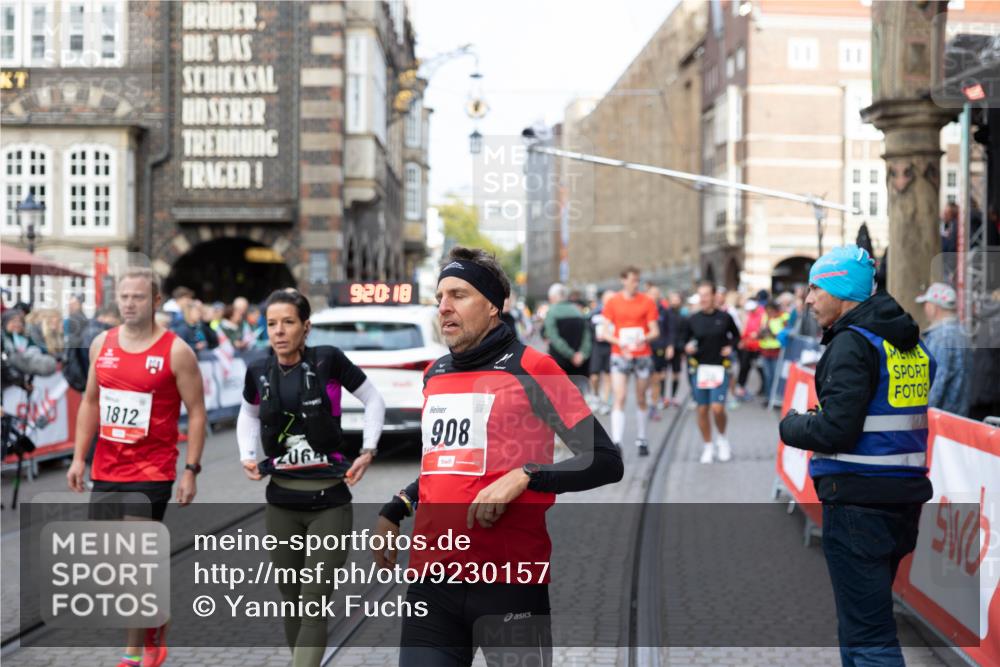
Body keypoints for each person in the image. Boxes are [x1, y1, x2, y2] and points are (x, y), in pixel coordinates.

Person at [372, 247, 623, 667]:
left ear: (493, 305)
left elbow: (604, 459)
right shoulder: (436, 375)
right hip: (432, 580)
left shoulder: (532, 368)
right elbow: (444, 463)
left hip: (509, 580)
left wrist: (527, 475)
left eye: (458, 295)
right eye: (439, 299)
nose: (445, 308)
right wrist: (396, 506)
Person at [779, 245, 935, 667]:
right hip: (900, 500)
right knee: (862, 626)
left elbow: (837, 429)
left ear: (840, 290)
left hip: (859, 504)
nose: (808, 300)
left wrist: (791, 424)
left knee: (868, 635)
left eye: (815, 288)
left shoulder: (852, 344)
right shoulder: (905, 342)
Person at [237, 289, 385, 667]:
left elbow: (373, 400)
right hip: (281, 502)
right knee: (291, 598)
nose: (279, 331)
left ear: (306, 327)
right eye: (272, 324)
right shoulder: (258, 369)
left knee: (314, 599)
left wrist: (368, 450)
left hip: (329, 502)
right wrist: (246, 454)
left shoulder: (328, 360)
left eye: (288, 322)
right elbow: (249, 414)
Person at [66, 268, 207, 667]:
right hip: (107, 467)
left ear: (156, 301)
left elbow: (196, 412)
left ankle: (132, 652)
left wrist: (191, 469)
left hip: (153, 469)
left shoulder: (176, 350)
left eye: (138, 297)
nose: (129, 303)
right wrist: (79, 457)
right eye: (124, 297)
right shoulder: (101, 344)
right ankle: (156, 618)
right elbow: (91, 402)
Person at [603, 267, 660, 456]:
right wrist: (621, 342)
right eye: (633, 280)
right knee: (619, 396)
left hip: (642, 354)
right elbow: (605, 332)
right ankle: (616, 441)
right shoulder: (613, 302)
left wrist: (643, 338)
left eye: (638, 280)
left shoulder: (647, 301)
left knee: (641, 397)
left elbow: (655, 330)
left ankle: (642, 438)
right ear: (623, 280)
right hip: (620, 354)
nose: (636, 283)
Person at [683, 281, 740, 464]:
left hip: (719, 368)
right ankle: (708, 445)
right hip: (699, 370)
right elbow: (682, 342)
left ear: (714, 296)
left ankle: (722, 440)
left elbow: (737, 336)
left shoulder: (725, 318)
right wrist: (686, 347)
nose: (703, 299)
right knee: (702, 410)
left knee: (717, 408)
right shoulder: (693, 319)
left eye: (706, 295)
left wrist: (730, 348)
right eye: (701, 295)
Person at [917, 282, 971, 417]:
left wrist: (920, 415)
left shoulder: (940, 337)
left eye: (927, 303)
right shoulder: (962, 333)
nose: (925, 308)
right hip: (958, 417)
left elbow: (935, 383)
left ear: (934, 307)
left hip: (940, 419)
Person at [543, 283, 592, 392]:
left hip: (560, 362)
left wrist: (570, 354)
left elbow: (553, 337)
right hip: (580, 364)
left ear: (554, 297)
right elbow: (587, 336)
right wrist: (582, 354)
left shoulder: (552, 312)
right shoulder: (578, 311)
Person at [645, 285, 673, 421]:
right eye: (652, 294)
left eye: (657, 293)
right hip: (644, 350)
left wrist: (669, 346)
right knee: (646, 380)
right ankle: (647, 401)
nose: (654, 296)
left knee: (657, 378)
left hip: (659, 349)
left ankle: (653, 406)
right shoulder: (643, 309)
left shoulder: (664, 311)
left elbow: (669, 330)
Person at [588, 290, 614, 414]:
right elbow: (587, 329)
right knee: (594, 376)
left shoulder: (616, 313)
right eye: (608, 299)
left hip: (611, 347)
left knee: (608, 375)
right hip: (597, 347)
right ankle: (596, 396)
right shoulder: (595, 313)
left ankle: (605, 402)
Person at [757, 301, 787, 407]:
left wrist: (772, 333)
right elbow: (760, 333)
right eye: (767, 311)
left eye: (771, 311)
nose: (768, 313)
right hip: (765, 350)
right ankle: (768, 398)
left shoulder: (783, 317)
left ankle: (776, 398)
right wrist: (761, 333)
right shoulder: (765, 318)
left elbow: (785, 334)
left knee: (775, 376)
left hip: (777, 351)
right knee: (767, 376)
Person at [735, 298, 764, 401]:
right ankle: (740, 388)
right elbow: (744, 329)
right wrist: (742, 340)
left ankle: (763, 389)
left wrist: (757, 333)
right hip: (747, 346)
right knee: (744, 367)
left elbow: (762, 328)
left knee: (760, 368)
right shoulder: (748, 314)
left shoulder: (762, 314)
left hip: (759, 347)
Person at [663, 291, 686, 407]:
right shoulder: (666, 314)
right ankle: (663, 397)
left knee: (676, 373)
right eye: (673, 298)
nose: (675, 301)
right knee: (663, 373)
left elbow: (683, 333)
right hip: (666, 348)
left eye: (677, 299)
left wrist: (682, 349)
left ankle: (673, 397)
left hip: (678, 348)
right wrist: (668, 345)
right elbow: (666, 332)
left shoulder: (682, 315)